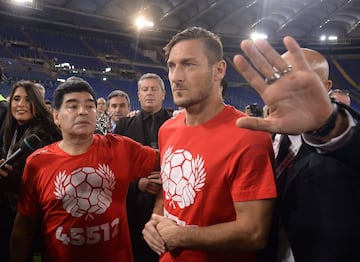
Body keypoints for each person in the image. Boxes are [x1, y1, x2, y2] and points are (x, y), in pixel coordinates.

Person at [142, 26, 276, 262]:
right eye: (172, 66)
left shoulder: (248, 135)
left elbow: (254, 232)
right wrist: (156, 220)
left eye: (189, 64)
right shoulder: (167, 130)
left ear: (219, 70)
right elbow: (168, 189)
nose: (176, 77)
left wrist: (182, 236)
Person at [233, 36, 360, 261]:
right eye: (280, 76)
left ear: (326, 86)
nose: (288, 84)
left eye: (298, 76)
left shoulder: (337, 138)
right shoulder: (263, 138)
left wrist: (328, 125)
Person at [9, 76, 160, 262]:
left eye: (90, 106)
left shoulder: (120, 148)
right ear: (56, 116)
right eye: (73, 106)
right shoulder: (37, 163)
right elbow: (24, 226)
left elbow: (169, 161)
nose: (83, 111)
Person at [0, 80, 62, 262]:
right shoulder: (8, 129)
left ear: (37, 103)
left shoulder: (48, 133)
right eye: (17, 99)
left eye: (28, 100)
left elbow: (46, 181)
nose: (21, 104)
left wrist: (8, 176)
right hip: (7, 213)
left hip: (30, 220)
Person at [115, 73, 173, 262]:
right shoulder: (124, 125)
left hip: (169, 206)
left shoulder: (177, 122)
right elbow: (113, 167)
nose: (149, 93)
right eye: (145, 89)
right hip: (133, 207)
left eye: (154, 89)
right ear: (138, 95)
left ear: (163, 94)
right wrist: (138, 184)